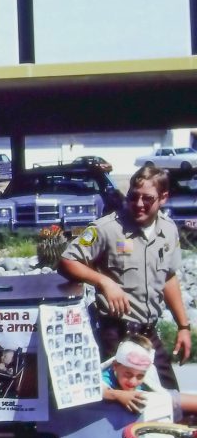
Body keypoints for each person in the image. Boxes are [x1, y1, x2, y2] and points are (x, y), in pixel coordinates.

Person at [60, 165, 190, 390]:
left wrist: (183, 326)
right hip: (117, 333)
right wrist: (104, 281)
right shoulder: (107, 228)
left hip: (149, 332)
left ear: (163, 198)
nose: (139, 204)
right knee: (123, 404)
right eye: (133, 197)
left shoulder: (168, 230)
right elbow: (66, 261)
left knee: (170, 399)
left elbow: (168, 277)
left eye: (147, 199)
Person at [101, 335, 197, 421]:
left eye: (140, 376)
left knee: (177, 400)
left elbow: (165, 396)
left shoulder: (149, 374)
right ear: (115, 366)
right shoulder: (105, 377)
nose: (133, 381)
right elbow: (96, 391)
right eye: (128, 374)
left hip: (148, 403)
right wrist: (118, 395)